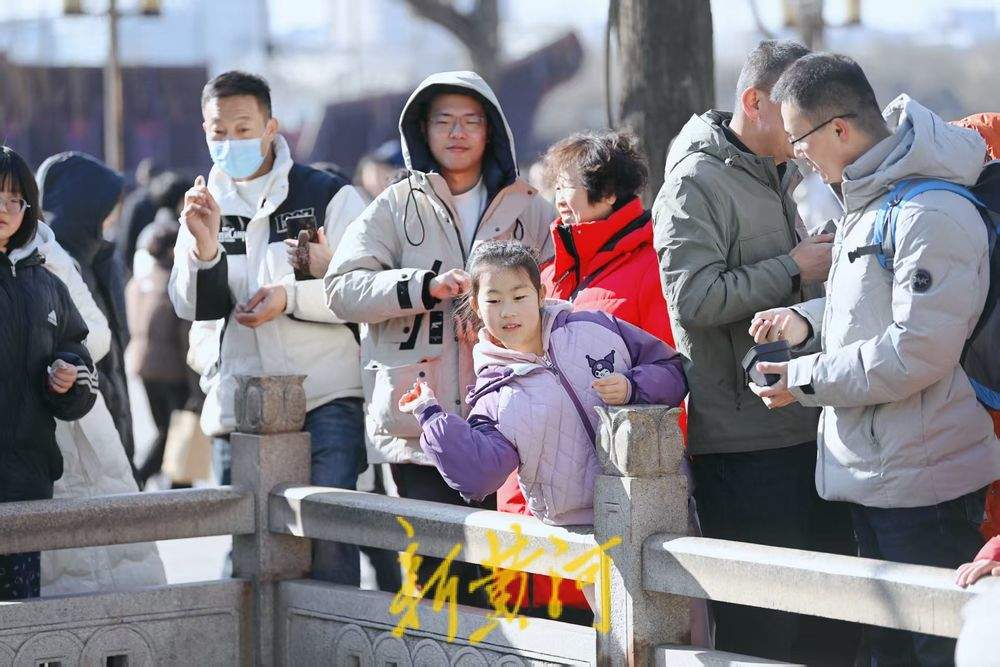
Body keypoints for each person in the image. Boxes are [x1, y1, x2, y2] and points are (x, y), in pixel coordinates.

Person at [751, 52, 1000, 665]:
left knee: (937, 653)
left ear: (839, 129)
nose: (798, 153)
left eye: (800, 137)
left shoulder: (930, 212)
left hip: (926, 483)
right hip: (880, 476)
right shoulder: (875, 196)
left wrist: (801, 379)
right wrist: (806, 320)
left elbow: (915, 352)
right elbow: (869, 300)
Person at [652, 40, 856, 662]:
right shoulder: (694, 181)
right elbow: (692, 300)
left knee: (833, 627)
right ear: (754, 102)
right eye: (794, 107)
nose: (803, 125)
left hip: (810, 424)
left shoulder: (785, 172)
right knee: (763, 636)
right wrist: (793, 268)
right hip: (744, 446)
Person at [325, 71, 556, 602]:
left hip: (508, 426)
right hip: (419, 428)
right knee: (439, 585)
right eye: (444, 121)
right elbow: (341, 288)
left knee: (506, 584)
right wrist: (422, 286)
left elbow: (559, 297)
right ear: (422, 131)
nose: (458, 132)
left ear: (492, 130)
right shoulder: (393, 204)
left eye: (471, 121)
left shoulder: (530, 207)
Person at [397, 240, 686, 609]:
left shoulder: (595, 327)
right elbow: (479, 476)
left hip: (659, 511)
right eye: (494, 300)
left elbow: (673, 370)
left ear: (540, 293)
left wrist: (633, 386)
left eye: (519, 296)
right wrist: (431, 417)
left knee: (694, 635)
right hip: (586, 536)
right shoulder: (493, 393)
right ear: (475, 305)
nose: (508, 311)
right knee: (625, 644)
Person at [168, 70, 368, 585]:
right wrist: (204, 248)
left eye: (242, 127)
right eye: (219, 131)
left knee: (329, 542)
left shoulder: (329, 195)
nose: (230, 141)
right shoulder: (201, 205)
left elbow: (366, 294)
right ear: (204, 131)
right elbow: (189, 306)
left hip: (325, 397)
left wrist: (290, 297)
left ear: (271, 125)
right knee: (252, 553)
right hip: (237, 402)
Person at [496, 129, 678, 619]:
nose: (557, 198)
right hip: (535, 473)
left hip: (607, 479)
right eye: (553, 185)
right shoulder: (553, 269)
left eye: (567, 185)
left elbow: (670, 371)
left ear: (608, 193)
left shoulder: (649, 266)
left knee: (606, 626)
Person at [0, 145, 98, 600]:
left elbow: (78, 355)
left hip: (26, 482)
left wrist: (66, 377)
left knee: (21, 621)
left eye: (14, 198)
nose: (4, 207)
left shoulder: (47, 285)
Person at [37, 152, 136, 477]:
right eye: (107, 207)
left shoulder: (99, 259)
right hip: (81, 433)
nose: (113, 216)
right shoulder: (53, 267)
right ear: (86, 208)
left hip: (110, 421)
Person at [128, 217, 194, 487]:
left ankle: (161, 482)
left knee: (165, 429)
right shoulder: (176, 285)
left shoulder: (139, 281)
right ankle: (143, 477)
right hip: (173, 370)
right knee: (176, 432)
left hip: (142, 365)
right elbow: (186, 338)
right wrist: (197, 386)